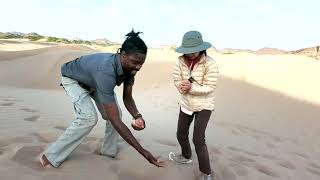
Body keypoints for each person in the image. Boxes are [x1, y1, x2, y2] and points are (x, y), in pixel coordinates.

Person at [39, 30, 165, 168]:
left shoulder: (130, 69)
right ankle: (50, 157)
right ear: (123, 55)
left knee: (117, 114)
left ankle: (108, 153)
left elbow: (127, 98)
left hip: (94, 82)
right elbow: (115, 119)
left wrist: (137, 116)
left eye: (142, 63)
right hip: (74, 80)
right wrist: (143, 152)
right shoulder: (106, 71)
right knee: (88, 118)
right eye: (135, 62)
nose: (138, 67)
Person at [170, 31, 219, 180]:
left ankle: (206, 173)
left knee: (198, 139)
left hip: (204, 105)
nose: (190, 54)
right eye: (188, 51)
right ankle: (186, 156)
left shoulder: (210, 63)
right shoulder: (180, 61)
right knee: (180, 134)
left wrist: (192, 88)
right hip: (186, 104)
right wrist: (181, 86)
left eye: (193, 51)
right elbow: (176, 79)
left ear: (201, 48)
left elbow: (210, 87)